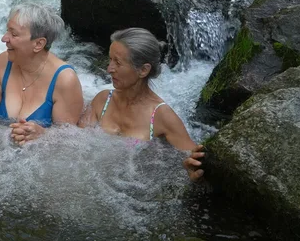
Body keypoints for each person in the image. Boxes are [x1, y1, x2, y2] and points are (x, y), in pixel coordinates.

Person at [77, 27, 205, 180]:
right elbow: (76, 145)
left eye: (117, 62)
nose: (109, 69)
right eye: (110, 59)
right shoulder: (102, 100)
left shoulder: (161, 116)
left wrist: (192, 170)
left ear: (143, 70)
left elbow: (194, 160)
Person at [0, 4, 84, 144]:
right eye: (7, 31)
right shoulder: (3, 62)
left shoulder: (64, 80)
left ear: (38, 44)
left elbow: (70, 141)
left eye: (13, 34)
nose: (4, 38)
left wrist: (44, 135)